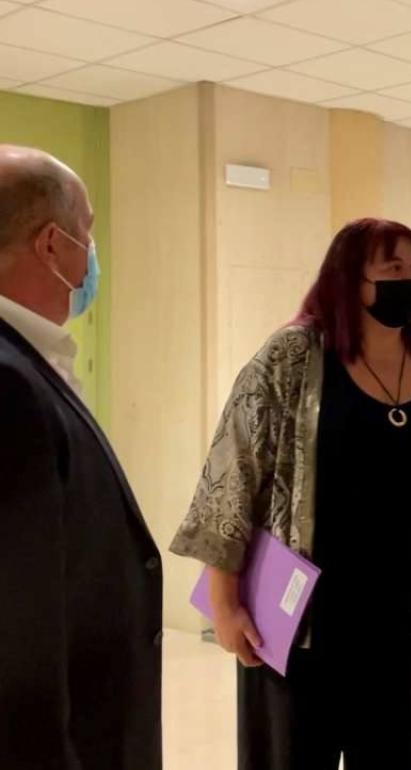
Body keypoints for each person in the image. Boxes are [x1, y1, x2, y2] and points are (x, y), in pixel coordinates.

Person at [170, 217, 411, 770]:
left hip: (395, 617)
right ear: (349, 278)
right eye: (392, 267)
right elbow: (233, 472)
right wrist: (224, 604)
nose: (408, 279)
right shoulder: (291, 358)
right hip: (296, 618)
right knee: (290, 754)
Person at [0, 145, 163, 769]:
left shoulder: (31, 360)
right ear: (52, 244)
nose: (91, 251)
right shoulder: (9, 384)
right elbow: (19, 644)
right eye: (87, 231)